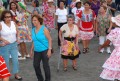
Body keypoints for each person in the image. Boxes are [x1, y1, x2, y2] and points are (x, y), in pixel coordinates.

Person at [0, 10, 22, 80]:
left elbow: (17, 31)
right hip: (4, 46)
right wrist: (3, 40)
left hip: (14, 44)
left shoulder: (13, 23)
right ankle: (6, 76)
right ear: (3, 17)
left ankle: (16, 74)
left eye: (9, 17)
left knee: (16, 60)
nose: (8, 18)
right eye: (6, 17)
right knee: (6, 62)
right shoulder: (1, 24)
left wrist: (18, 37)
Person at [30, 15, 52, 81]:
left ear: (39, 20)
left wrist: (49, 50)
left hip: (45, 50)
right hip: (36, 51)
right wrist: (31, 50)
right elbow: (34, 40)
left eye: (35, 20)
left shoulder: (44, 29)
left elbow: (50, 39)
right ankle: (40, 79)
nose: (33, 22)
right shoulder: (33, 30)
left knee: (45, 66)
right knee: (36, 65)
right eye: (33, 20)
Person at [99, 14, 120, 81]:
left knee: (114, 65)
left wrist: (101, 47)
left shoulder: (114, 31)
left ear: (116, 23)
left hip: (117, 52)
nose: (112, 23)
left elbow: (107, 42)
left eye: (113, 22)